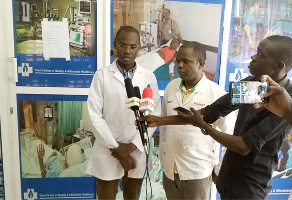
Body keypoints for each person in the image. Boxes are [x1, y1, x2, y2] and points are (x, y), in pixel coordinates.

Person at [139, 35, 292, 199]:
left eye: (260, 54)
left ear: (279, 66)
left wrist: (204, 127)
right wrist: (160, 120)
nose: (253, 57)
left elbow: (243, 146)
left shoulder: (286, 103)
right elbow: (209, 113)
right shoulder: (254, 85)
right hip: (227, 179)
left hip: (250, 187)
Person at [86, 26, 161, 200]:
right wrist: (117, 148)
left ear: (139, 48)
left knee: (131, 196)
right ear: (115, 45)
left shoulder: (148, 77)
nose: (127, 51)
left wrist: (131, 147)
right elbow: (94, 116)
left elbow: (154, 115)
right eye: (123, 45)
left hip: (136, 149)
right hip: (108, 149)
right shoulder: (102, 76)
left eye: (133, 46)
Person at [159, 41, 236, 199]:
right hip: (169, 171)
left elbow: (232, 136)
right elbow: (165, 126)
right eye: (178, 60)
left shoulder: (216, 93)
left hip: (197, 173)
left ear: (201, 64)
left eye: (186, 61)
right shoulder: (171, 87)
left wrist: (219, 170)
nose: (180, 65)